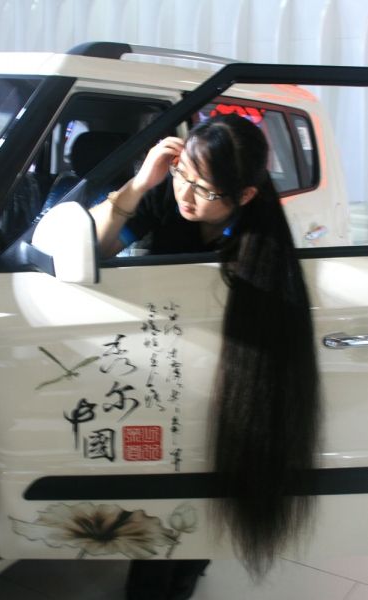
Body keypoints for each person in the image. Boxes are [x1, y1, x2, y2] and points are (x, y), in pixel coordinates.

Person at [90, 113, 320, 595]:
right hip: (163, 372)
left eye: (206, 191)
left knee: (212, 489)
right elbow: (93, 247)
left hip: (228, 383)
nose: (186, 196)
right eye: (182, 177)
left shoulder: (265, 239)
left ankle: (188, 571)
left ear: (245, 196)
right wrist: (142, 181)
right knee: (162, 508)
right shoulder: (161, 198)